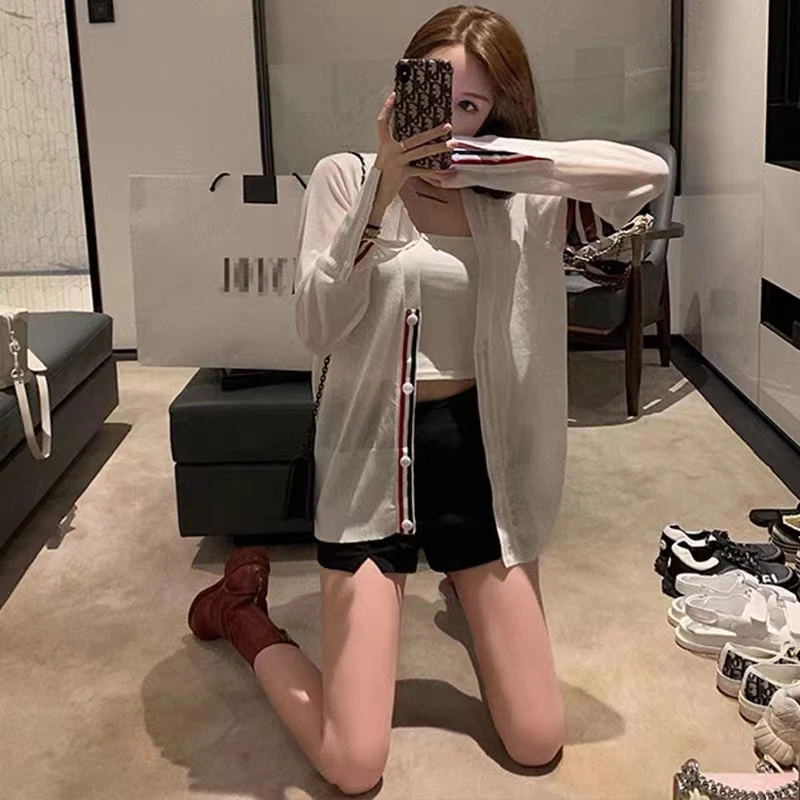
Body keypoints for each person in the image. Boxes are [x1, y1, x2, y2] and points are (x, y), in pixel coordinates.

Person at [187, 5, 669, 795]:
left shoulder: (515, 197)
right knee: (353, 763)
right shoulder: (346, 177)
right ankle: (241, 613)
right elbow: (315, 325)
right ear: (403, 82)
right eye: (436, 95)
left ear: (497, 111)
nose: (448, 121)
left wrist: (494, 162)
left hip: (479, 469)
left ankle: (466, 590)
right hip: (371, 463)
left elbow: (645, 177)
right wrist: (385, 182)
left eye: (471, 104)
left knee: (536, 738)